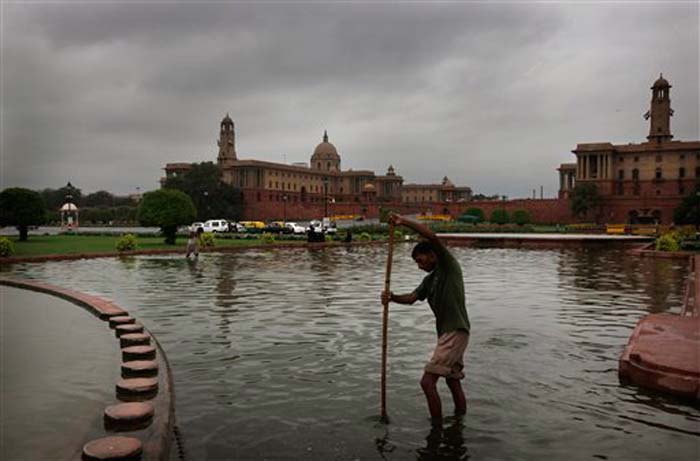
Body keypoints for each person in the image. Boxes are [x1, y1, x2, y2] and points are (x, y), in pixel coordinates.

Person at [381, 213, 470, 424]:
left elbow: (431, 236)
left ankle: (436, 429)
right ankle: (460, 422)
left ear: (432, 255)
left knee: (427, 382)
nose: (420, 266)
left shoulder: (448, 267)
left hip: (455, 332)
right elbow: (412, 298)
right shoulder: (429, 281)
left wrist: (403, 221)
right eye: (417, 263)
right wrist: (391, 297)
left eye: (421, 261)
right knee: (452, 380)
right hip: (449, 334)